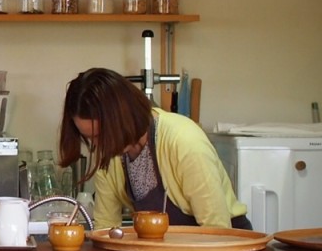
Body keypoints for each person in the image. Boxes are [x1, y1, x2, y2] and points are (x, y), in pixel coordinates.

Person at [59, 67, 250, 230]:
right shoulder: (108, 156)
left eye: (101, 135)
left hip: (224, 245)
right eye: (89, 138)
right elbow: (106, 228)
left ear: (123, 117)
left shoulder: (184, 141)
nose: (98, 145)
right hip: (170, 249)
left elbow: (216, 229)